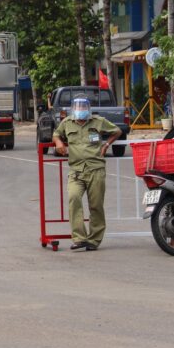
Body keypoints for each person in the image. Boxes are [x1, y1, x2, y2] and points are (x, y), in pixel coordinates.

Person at [52, 96, 122, 251]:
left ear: (88, 109)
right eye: (78, 107)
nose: (81, 110)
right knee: (73, 198)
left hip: (95, 169)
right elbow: (56, 134)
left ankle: (94, 240)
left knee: (96, 205)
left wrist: (106, 144)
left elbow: (117, 131)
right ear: (73, 109)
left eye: (84, 107)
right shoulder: (67, 122)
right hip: (76, 170)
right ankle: (79, 238)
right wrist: (58, 142)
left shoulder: (98, 121)